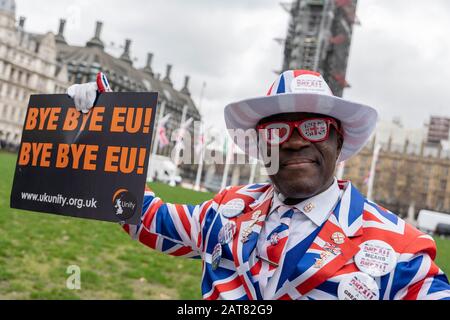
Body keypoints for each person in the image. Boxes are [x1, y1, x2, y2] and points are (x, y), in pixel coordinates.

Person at [68, 69, 450, 300]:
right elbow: (142, 217)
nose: (296, 140)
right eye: (278, 130)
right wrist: (105, 125)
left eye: (314, 127)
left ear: (338, 142)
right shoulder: (225, 210)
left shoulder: (400, 252)